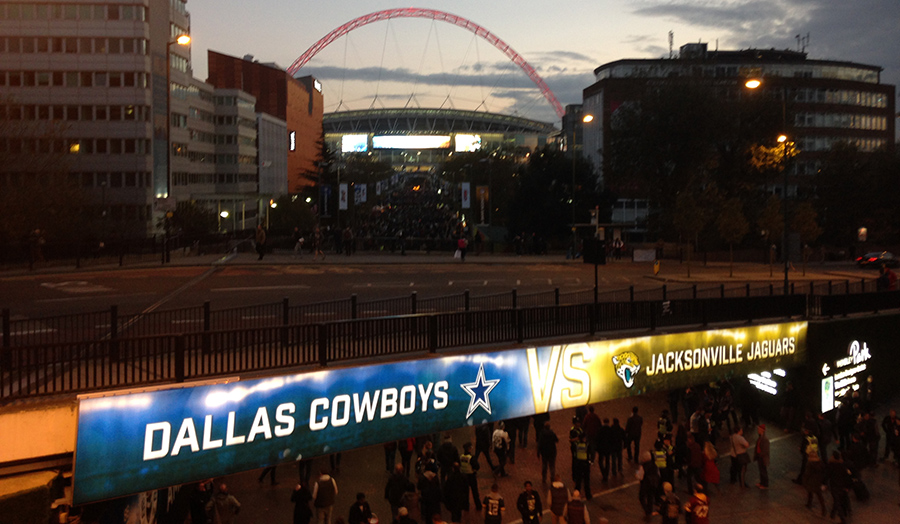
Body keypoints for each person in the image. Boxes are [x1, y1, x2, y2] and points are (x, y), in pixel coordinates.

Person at [826, 451, 852, 523]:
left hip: (835, 486)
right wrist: (848, 487)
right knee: (837, 500)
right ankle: (833, 514)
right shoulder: (843, 466)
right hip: (842, 486)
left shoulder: (831, 465)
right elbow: (847, 477)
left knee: (837, 502)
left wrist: (824, 483)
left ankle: (842, 518)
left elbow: (827, 475)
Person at [802, 451, 827, 516]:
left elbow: (807, 474)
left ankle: (809, 504)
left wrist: (804, 481)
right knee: (819, 495)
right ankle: (823, 509)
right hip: (818, 481)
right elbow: (824, 472)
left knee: (810, 492)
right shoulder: (821, 463)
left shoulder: (810, 464)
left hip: (811, 481)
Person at [459, 443, 482, 512]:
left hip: (464, 476)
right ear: (469, 449)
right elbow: (477, 466)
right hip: (471, 476)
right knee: (475, 492)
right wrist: (474, 470)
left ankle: (466, 506)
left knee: (465, 492)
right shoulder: (471, 458)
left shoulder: (461, 457)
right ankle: (478, 506)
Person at [637, 451, 660, 518]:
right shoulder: (654, 465)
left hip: (645, 484)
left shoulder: (643, 466)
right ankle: (649, 510)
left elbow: (640, 476)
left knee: (641, 497)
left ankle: (646, 509)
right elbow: (658, 474)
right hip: (653, 484)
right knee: (650, 497)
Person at [538, 420, 559, 484]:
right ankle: (552, 478)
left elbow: (540, 443)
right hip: (552, 452)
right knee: (552, 466)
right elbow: (557, 440)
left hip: (544, 452)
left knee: (544, 466)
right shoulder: (552, 433)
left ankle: (544, 478)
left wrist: (538, 452)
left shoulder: (542, 434)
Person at [571, 434, 591, 498]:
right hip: (585, 463)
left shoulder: (577, 445)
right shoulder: (587, 445)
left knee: (578, 481)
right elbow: (590, 453)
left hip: (578, 463)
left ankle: (576, 493)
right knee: (586, 480)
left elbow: (573, 448)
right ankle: (588, 495)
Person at [754, 424, 771, 489]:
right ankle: (762, 482)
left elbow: (765, 450)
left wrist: (760, 454)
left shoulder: (765, 439)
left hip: (762, 457)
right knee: (761, 470)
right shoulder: (760, 437)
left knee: (763, 471)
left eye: (759, 429)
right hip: (760, 457)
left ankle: (765, 484)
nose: (758, 430)